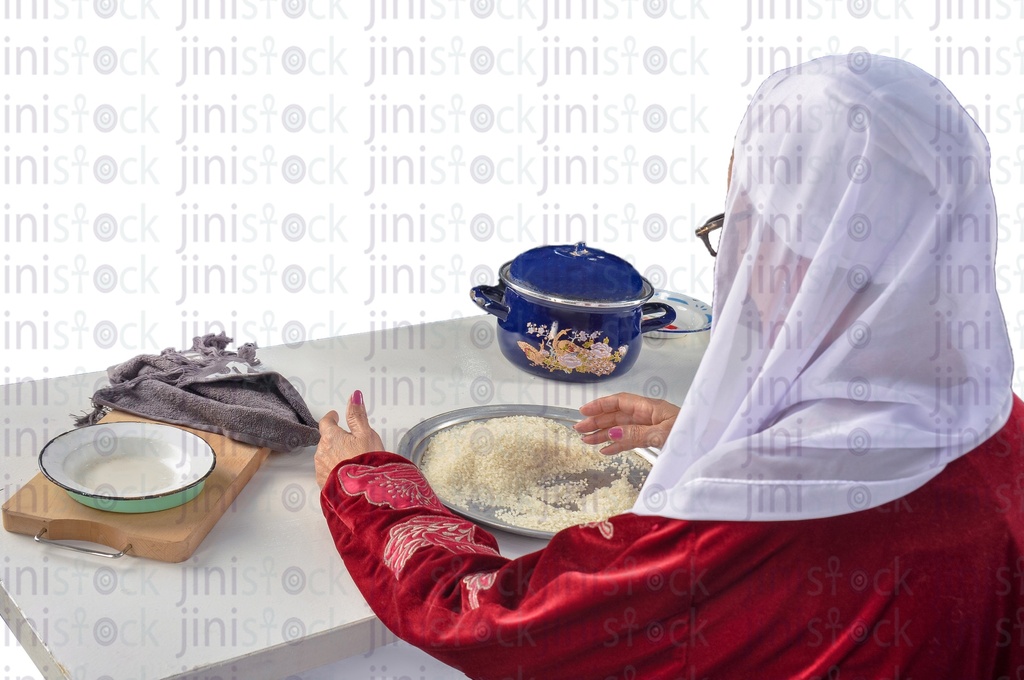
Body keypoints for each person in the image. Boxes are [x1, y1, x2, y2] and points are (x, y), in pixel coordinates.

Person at [315, 53, 1024, 679]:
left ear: (809, 263)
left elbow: (500, 622)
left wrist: (370, 490)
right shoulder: (997, 425)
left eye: (742, 228)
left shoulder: (748, 531)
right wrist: (726, 440)